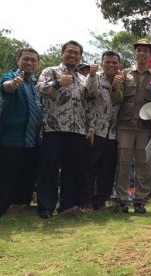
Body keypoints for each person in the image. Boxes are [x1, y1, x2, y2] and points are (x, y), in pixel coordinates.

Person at [36, 40, 93, 218]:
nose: (73, 55)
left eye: (77, 53)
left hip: (77, 131)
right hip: (54, 128)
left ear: (80, 57)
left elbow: (88, 105)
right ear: (63, 53)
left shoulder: (83, 79)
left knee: (73, 170)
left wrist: (90, 127)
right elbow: (40, 89)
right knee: (49, 169)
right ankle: (46, 207)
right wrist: (58, 83)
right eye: (70, 52)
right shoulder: (50, 71)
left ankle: (68, 205)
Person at [116, 38, 151, 214]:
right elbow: (117, 100)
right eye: (139, 50)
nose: (142, 53)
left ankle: (140, 199)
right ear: (135, 53)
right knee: (123, 163)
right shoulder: (124, 74)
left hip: (146, 127)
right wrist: (115, 88)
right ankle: (122, 199)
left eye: (146, 51)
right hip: (125, 125)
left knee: (144, 164)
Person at [0, 48, 43, 217]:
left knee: (27, 176)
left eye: (33, 60)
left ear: (37, 64)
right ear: (18, 60)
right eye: (26, 59)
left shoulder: (35, 84)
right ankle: (3, 209)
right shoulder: (11, 77)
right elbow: (7, 88)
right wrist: (14, 84)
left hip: (33, 140)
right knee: (7, 176)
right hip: (12, 139)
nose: (30, 63)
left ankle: (21, 207)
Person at [82, 51, 123, 211]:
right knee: (90, 167)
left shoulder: (122, 80)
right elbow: (90, 93)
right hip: (95, 130)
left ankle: (101, 200)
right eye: (108, 62)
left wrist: (117, 86)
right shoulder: (95, 77)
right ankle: (87, 200)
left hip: (113, 132)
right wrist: (91, 74)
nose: (111, 65)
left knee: (107, 168)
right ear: (102, 63)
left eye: (114, 62)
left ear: (119, 64)